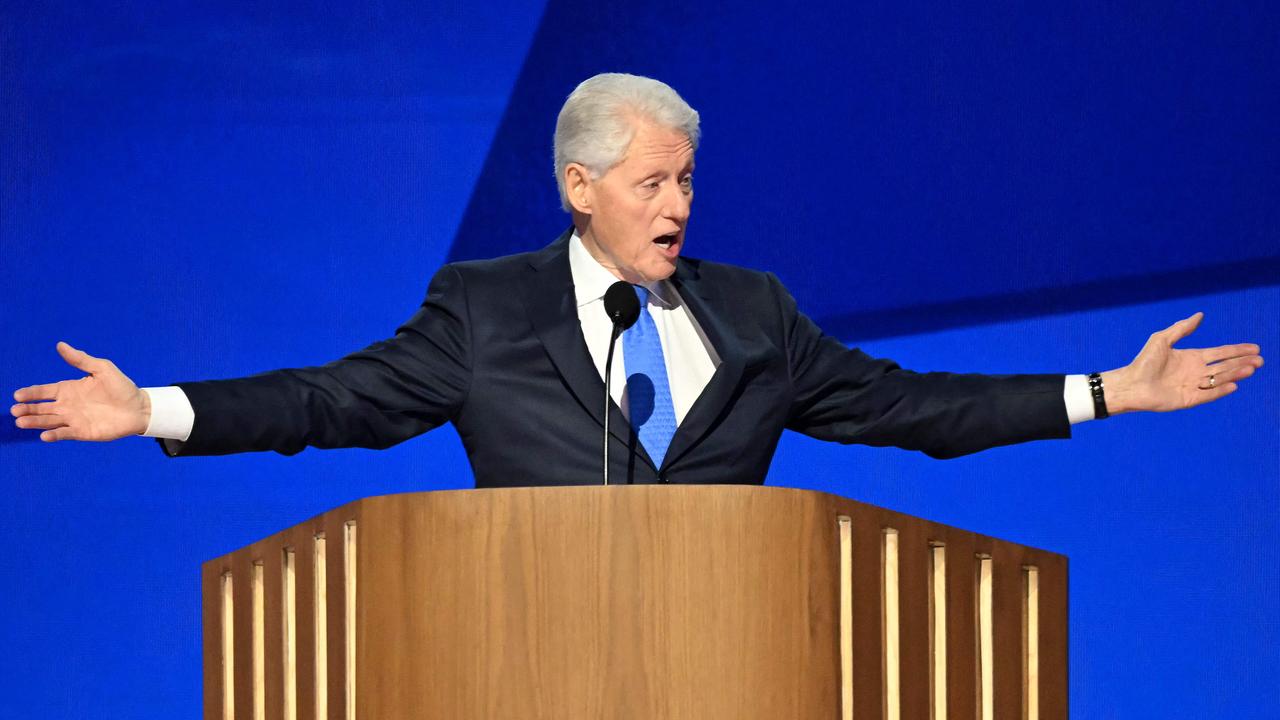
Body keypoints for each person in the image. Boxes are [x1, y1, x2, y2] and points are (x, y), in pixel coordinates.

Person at [9, 74, 1265, 487]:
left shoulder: (753, 309)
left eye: (686, 182)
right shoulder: (483, 308)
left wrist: (1108, 391)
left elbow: (908, 411)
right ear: (578, 186)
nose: (678, 205)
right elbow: (333, 402)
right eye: (653, 183)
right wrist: (156, 407)